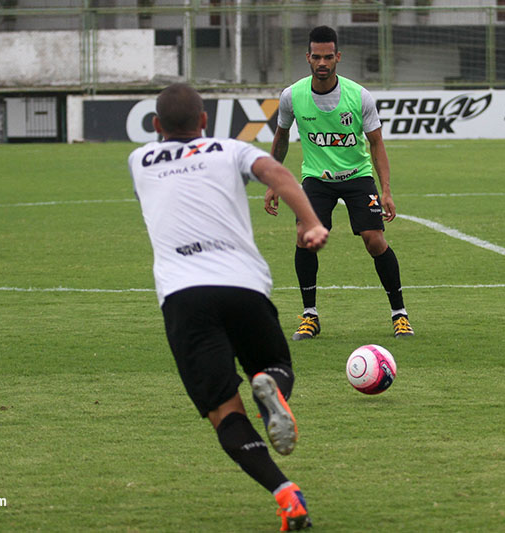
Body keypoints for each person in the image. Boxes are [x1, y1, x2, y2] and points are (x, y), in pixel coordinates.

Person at [128, 83, 328, 531]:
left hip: (184, 296)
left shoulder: (139, 160)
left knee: (225, 413)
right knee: (276, 364)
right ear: (204, 122)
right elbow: (278, 174)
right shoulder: (230, 149)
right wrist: (311, 223)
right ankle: (268, 382)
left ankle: (286, 494)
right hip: (242, 286)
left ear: (157, 126)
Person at [264, 25, 413, 341]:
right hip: (317, 179)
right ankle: (310, 316)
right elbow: (281, 138)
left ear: (338, 57)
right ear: (307, 57)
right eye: (316, 57)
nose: (322, 63)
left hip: (358, 176)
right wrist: (273, 181)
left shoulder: (359, 96)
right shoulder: (292, 96)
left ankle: (400, 314)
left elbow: (376, 144)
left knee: (374, 239)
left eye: (328, 57)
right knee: (305, 237)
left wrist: (385, 190)